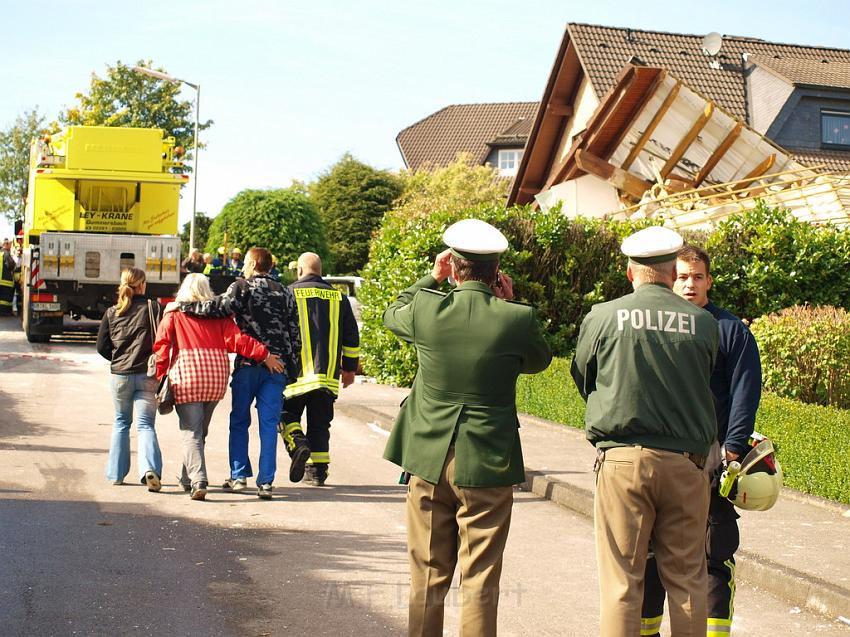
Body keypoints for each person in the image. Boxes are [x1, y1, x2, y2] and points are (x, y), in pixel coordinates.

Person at [383, 219, 552, 637]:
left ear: (454, 268)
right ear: (498, 273)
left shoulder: (426, 307)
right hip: (487, 462)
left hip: (427, 457)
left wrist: (431, 277)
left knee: (427, 575)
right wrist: (510, 303)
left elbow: (391, 315)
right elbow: (539, 360)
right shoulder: (517, 319)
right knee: (480, 578)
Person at [570, 226, 719, 637]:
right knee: (688, 579)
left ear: (630, 271)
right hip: (687, 465)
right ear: (673, 272)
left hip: (622, 460)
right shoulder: (704, 323)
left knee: (622, 583)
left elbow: (584, 376)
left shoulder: (602, 315)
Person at [640, 244, 762, 637]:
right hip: (663, 457)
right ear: (667, 279)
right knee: (653, 552)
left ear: (709, 280)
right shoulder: (656, 325)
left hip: (712, 459)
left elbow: (745, 394)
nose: (688, 285)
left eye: (696, 276)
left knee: (714, 553)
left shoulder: (732, 331)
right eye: (680, 276)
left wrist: (731, 451)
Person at [175, 247, 301, 500]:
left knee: (240, 420)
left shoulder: (242, 287)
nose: (243, 266)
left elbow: (217, 307)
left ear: (254, 264)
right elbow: (294, 333)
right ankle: (266, 483)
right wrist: (292, 368)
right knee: (268, 424)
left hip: (248, 365)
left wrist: (186, 306)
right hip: (277, 367)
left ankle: (239, 476)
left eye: (245, 262)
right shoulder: (285, 292)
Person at [154, 273, 284, 500]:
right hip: (215, 377)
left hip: (188, 374)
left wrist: (160, 374)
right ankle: (187, 478)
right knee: (199, 431)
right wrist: (264, 355)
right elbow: (238, 340)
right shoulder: (219, 316)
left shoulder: (174, 314)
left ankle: (198, 480)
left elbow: (162, 345)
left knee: (190, 431)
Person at [279, 252, 360, 487]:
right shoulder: (339, 297)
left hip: (295, 374)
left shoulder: (289, 293)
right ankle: (316, 472)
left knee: (285, 415)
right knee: (320, 423)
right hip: (326, 375)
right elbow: (351, 337)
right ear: (320, 270)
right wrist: (349, 370)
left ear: (300, 271)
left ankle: (297, 443)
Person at [96, 267, 164, 491]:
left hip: (120, 376)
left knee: (121, 423)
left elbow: (102, 347)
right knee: (146, 425)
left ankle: (116, 474)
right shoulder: (154, 308)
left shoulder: (111, 312)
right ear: (142, 285)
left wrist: (118, 359)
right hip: (147, 375)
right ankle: (149, 470)